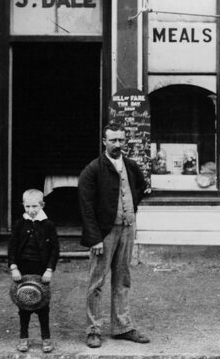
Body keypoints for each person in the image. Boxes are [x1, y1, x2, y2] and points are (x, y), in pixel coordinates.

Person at [77, 124, 150, 348]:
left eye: (121, 140)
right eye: (113, 140)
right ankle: (93, 330)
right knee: (96, 282)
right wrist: (95, 238)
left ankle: (122, 327)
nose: (117, 144)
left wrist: (130, 210)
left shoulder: (130, 165)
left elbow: (141, 188)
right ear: (104, 142)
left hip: (127, 229)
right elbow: (86, 207)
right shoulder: (93, 170)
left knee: (122, 279)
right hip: (104, 233)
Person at [8, 188, 59, 353]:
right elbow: (12, 247)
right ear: (23, 205)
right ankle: (24, 338)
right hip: (22, 271)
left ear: (42, 205)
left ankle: (46, 338)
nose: (31, 210)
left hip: (41, 271)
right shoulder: (19, 224)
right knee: (24, 305)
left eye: (35, 206)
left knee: (43, 306)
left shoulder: (48, 225)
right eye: (27, 206)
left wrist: (49, 270)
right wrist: (13, 267)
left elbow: (54, 249)